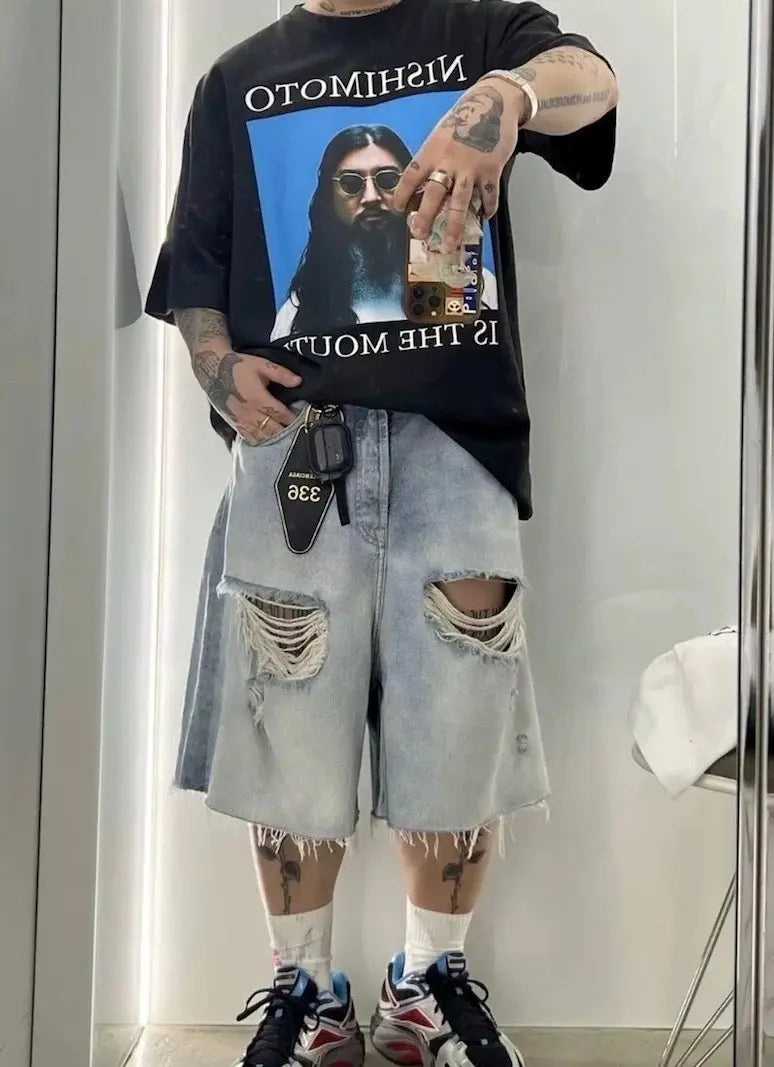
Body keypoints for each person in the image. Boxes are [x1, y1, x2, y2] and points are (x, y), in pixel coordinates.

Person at [146, 1, 618, 1065]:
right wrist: (217, 369)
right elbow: (197, 265)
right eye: (346, 184)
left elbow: (592, 81)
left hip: (457, 443)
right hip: (295, 445)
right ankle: (307, 989)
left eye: (382, 181)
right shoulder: (237, 77)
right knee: (288, 729)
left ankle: (427, 984)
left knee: (457, 726)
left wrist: (505, 95)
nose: (368, 196)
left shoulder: (478, 31)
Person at [272, 122, 497, 338]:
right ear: (329, 198)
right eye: (351, 183)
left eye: (388, 179)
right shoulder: (299, 313)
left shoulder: (473, 287)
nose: (371, 197)